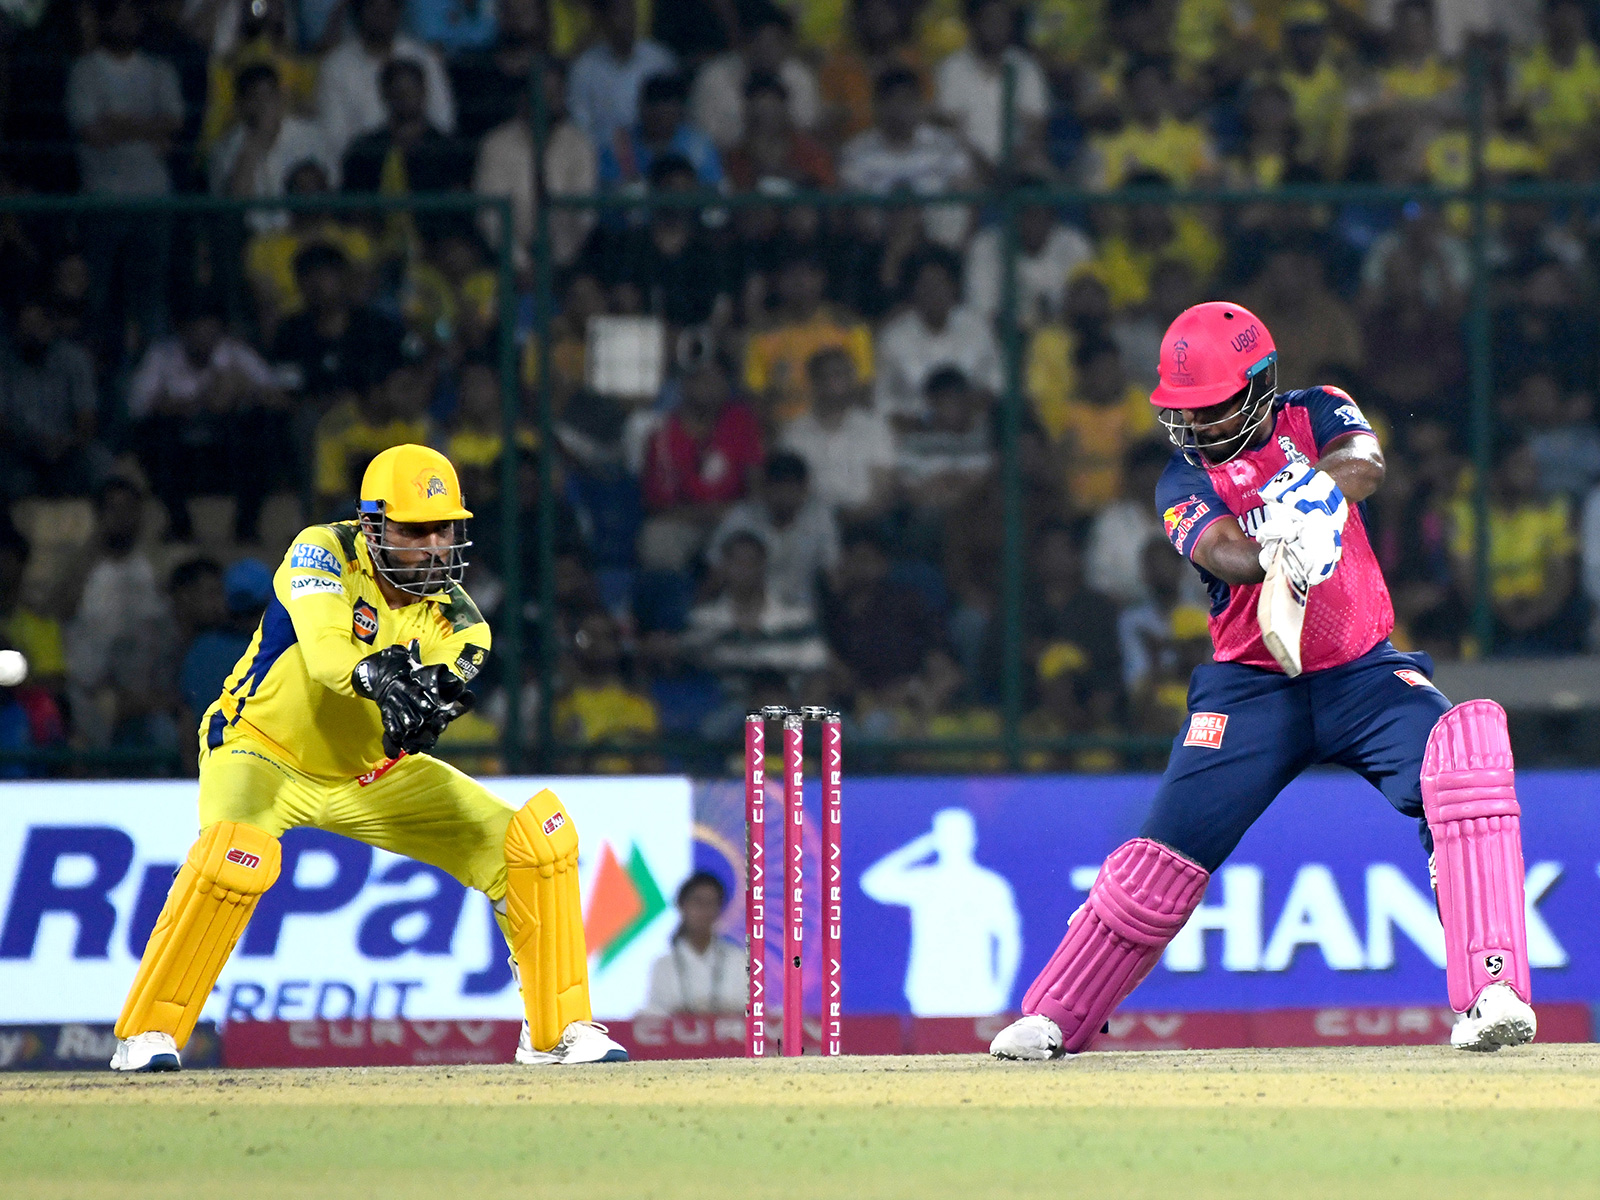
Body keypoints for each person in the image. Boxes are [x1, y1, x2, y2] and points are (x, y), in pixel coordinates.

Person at [989, 300, 1538, 1061]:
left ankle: (1493, 991)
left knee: (1466, 758)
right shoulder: (1180, 479)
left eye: (1213, 408)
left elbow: (1365, 462)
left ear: (1259, 385)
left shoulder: (1314, 411)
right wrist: (1274, 539)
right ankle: (1056, 1016)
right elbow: (1222, 553)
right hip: (1249, 693)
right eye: (1186, 412)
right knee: (1163, 856)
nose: (1201, 427)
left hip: (1363, 676)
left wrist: (1312, 494)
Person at [109, 444, 627, 1071]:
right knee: (231, 860)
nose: (435, 546)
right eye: (416, 530)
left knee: (531, 843)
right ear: (374, 525)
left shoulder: (464, 622)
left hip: (370, 773)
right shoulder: (319, 549)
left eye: (445, 529)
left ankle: (555, 1032)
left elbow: (433, 702)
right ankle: (148, 1036)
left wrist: (426, 709)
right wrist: (376, 676)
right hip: (262, 752)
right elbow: (328, 652)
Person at [315, 0, 455, 163]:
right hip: (364, 166)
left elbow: (444, 121)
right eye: (374, 7)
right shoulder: (336, 66)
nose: (382, 14)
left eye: (389, 6)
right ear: (360, 12)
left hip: (425, 163)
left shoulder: (424, 58)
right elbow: (335, 138)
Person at [638, 872, 746, 1015]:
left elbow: (752, 1014)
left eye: (710, 903)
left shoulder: (739, 960)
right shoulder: (663, 965)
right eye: (697, 902)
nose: (704, 911)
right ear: (682, 906)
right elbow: (653, 1015)